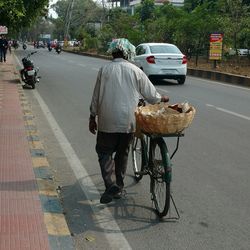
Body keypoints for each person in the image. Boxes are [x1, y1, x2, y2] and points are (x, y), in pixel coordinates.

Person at [89, 38, 169, 204]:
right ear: (127, 53)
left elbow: (96, 97)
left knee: (104, 152)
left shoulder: (104, 70)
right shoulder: (135, 70)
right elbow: (151, 95)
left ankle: (110, 184)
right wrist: (162, 98)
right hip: (128, 121)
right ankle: (118, 186)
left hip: (107, 121)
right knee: (123, 153)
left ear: (113, 52)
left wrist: (92, 116)